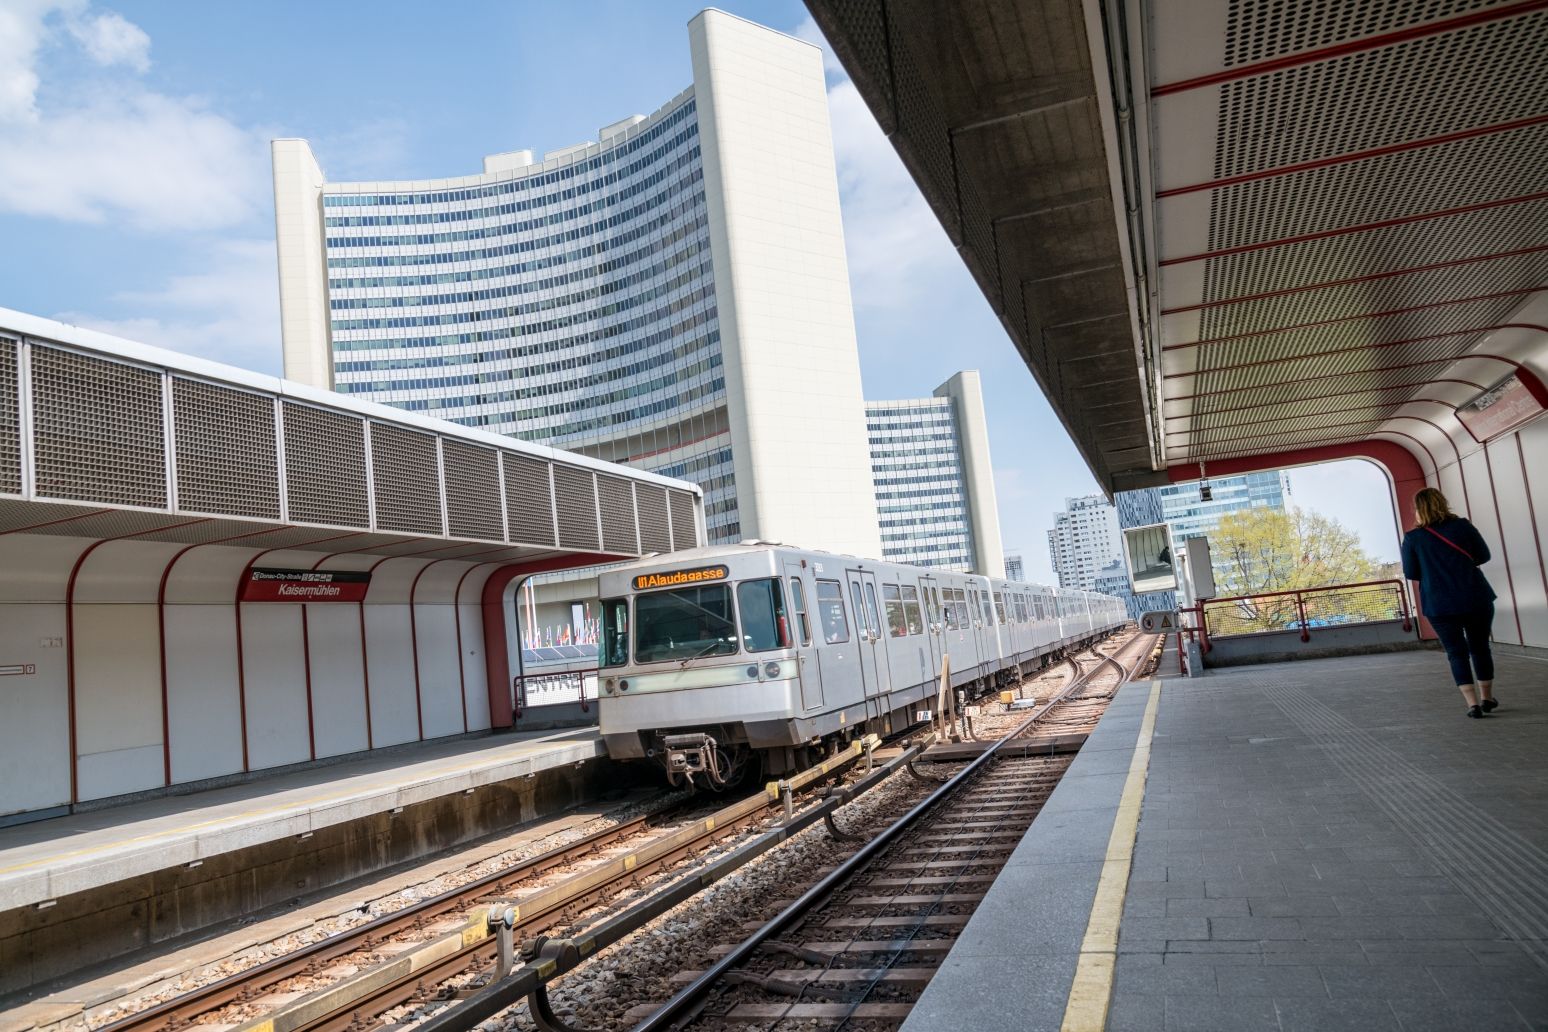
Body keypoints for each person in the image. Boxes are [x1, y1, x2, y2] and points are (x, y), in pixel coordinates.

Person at [1400, 487, 1498, 718]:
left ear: (1418, 510)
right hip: (1475, 596)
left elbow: (1411, 572)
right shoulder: (1463, 526)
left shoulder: (1414, 538)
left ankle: (1472, 704)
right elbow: (1484, 555)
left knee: (1456, 653)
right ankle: (1487, 697)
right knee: (1480, 647)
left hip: (1439, 604)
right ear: (1443, 503)